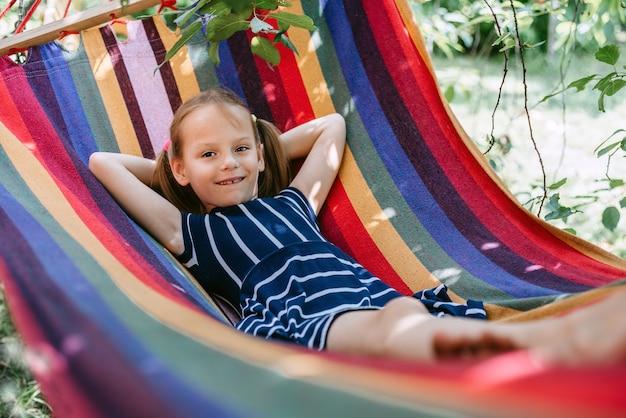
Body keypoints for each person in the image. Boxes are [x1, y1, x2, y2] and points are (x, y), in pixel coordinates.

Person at [90, 87, 626, 365]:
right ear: (181, 168)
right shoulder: (192, 233)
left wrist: (263, 145)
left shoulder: (294, 202)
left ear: (258, 153)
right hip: (305, 317)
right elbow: (103, 164)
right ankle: (544, 351)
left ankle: (529, 356)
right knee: (394, 330)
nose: (229, 163)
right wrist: (172, 170)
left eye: (239, 150)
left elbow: (332, 125)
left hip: (376, 299)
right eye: (209, 155)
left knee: (403, 317)